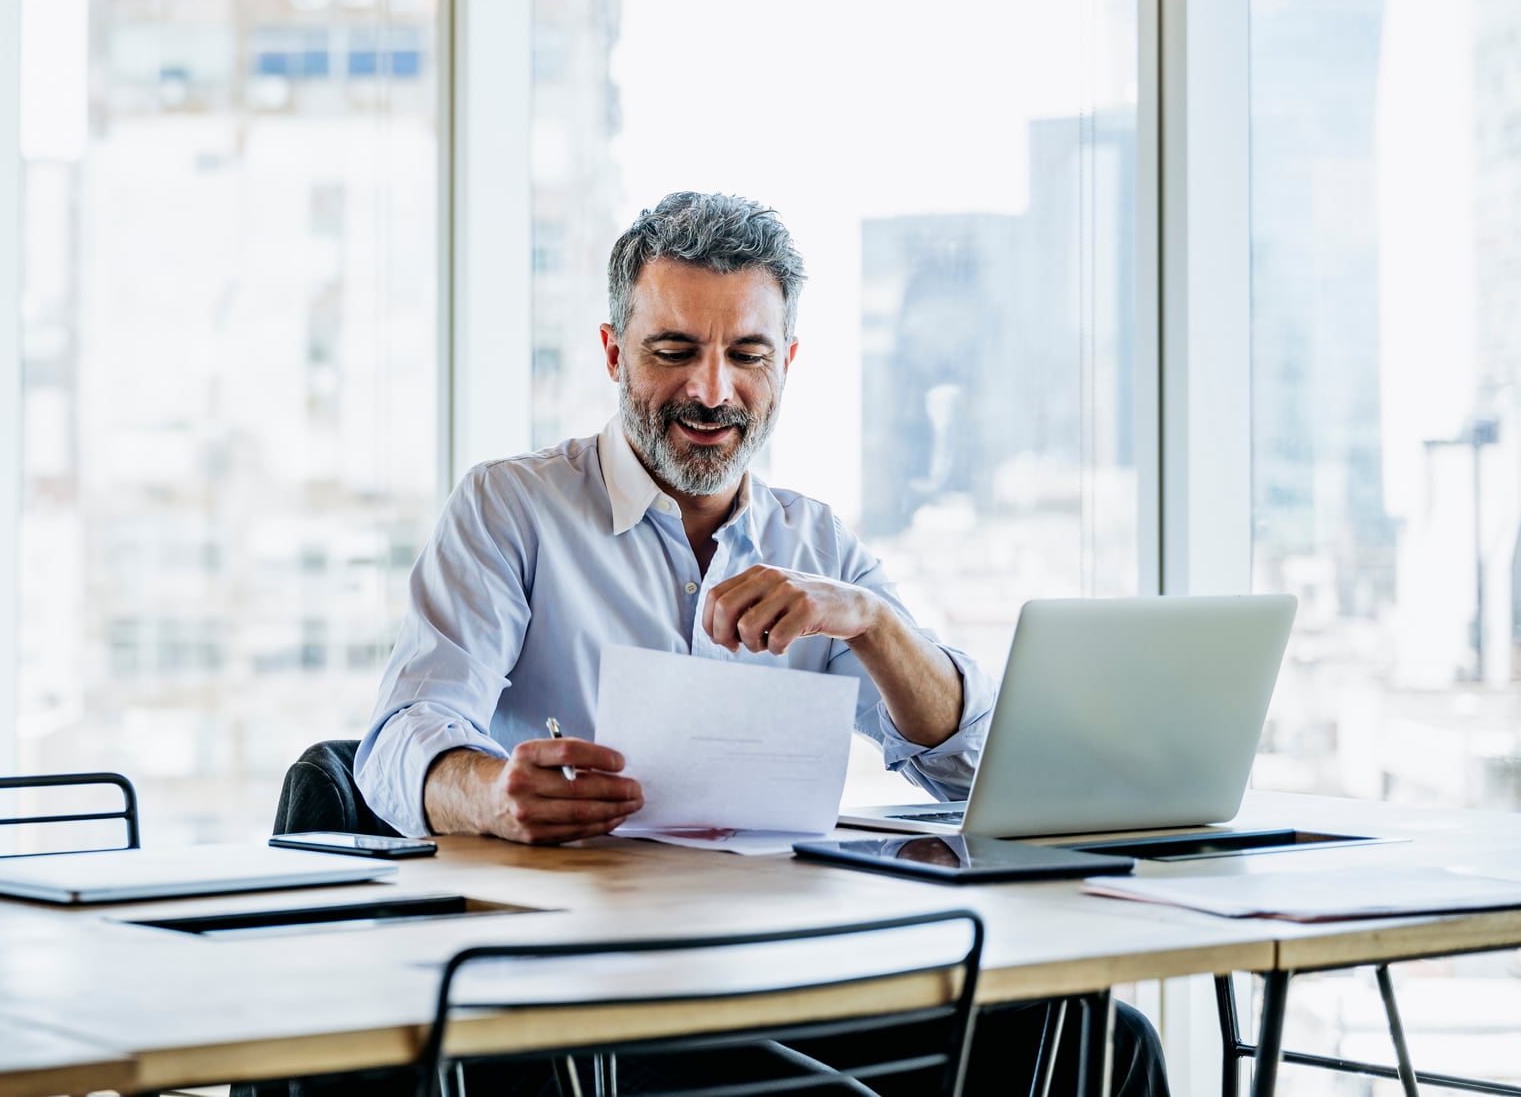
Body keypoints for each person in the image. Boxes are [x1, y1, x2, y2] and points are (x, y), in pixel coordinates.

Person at [356, 193, 1167, 1097]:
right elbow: (397, 741)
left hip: (780, 962)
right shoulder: (512, 508)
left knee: (1103, 1045)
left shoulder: (818, 548)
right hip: (579, 985)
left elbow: (976, 773)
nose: (710, 391)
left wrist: (873, 624)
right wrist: (490, 793)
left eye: (745, 355)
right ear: (614, 352)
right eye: (672, 353)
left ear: (784, 364)